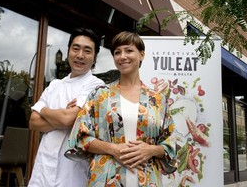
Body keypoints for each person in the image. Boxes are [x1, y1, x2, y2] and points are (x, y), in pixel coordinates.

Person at [65, 31, 176, 186]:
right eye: (117, 52)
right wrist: (113, 149)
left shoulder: (158, 100)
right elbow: (80, 138)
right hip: (105, 178)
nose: (122, 56)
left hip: (147, 179)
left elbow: (170, 144)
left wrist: (150, 150)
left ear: (142, 55)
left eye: (129, 50)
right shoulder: (99, 95)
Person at [28, 27, 104, 187]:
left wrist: (43, 110)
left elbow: (67, 119)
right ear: (68, 50)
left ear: (94, 56)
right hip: (42, 169)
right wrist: (63, 116)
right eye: (75, 48)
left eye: (87, 51)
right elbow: (33, 122)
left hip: (71, 173)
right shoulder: (54, 85)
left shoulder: (95, 85)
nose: (80, 55)